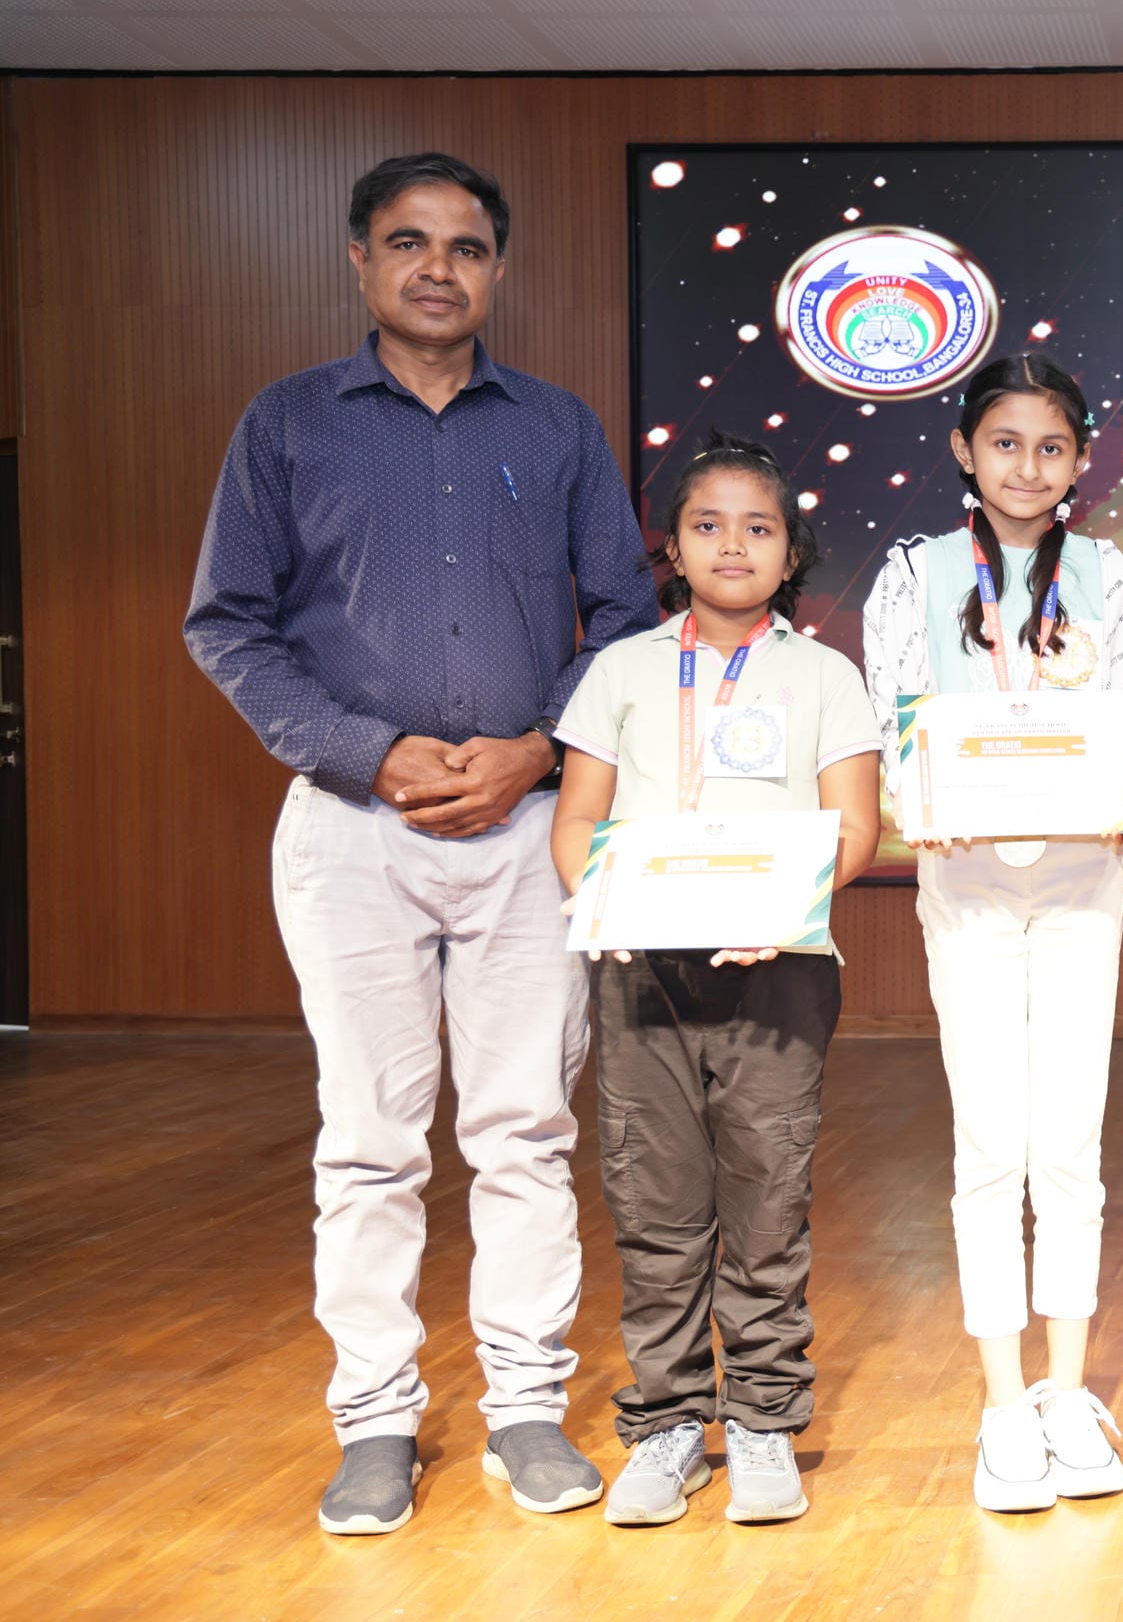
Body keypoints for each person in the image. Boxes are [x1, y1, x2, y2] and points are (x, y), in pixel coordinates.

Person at [183, 152, 659, 1534]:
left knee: (525, 1130)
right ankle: (376, 1420)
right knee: (369, 1140)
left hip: (528, 829)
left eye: (464, 245)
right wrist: (363, 748)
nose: (437, 267)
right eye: (408, 242)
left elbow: (625, 619)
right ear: (360, 260)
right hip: (352, 829)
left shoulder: (558, 428)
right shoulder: (286, 426)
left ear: (498, 268)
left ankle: (525, 1405)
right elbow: (227, 624)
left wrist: (540, 744)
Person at [551, 433, 882, 1525]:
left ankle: (765, 1420)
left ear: (792, 550)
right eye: (707, 524)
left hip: (778, 969)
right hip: (641, 969)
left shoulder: (824, 675)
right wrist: (605, 901)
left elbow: (855, 826)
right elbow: (576, 820)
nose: (732, 544)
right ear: (674, 546)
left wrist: (779, 910)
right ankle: (666, 1426)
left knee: (766, 1200)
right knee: (654, 1204)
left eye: (758, 526)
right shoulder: (621, 669)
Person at [860, 355, 1123, 1514]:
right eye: (1004, 443)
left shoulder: (1110, 575)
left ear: (1079, 459)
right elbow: (895, 719)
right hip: (968, 879)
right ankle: (1000, 1404)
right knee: (989, 1147)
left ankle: (1066, 1393)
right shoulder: (914, 573)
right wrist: (917, 802)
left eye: (1050, 446)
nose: (1026, 466)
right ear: (963, 451)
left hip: (1081, 876)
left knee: (1070, 1146)